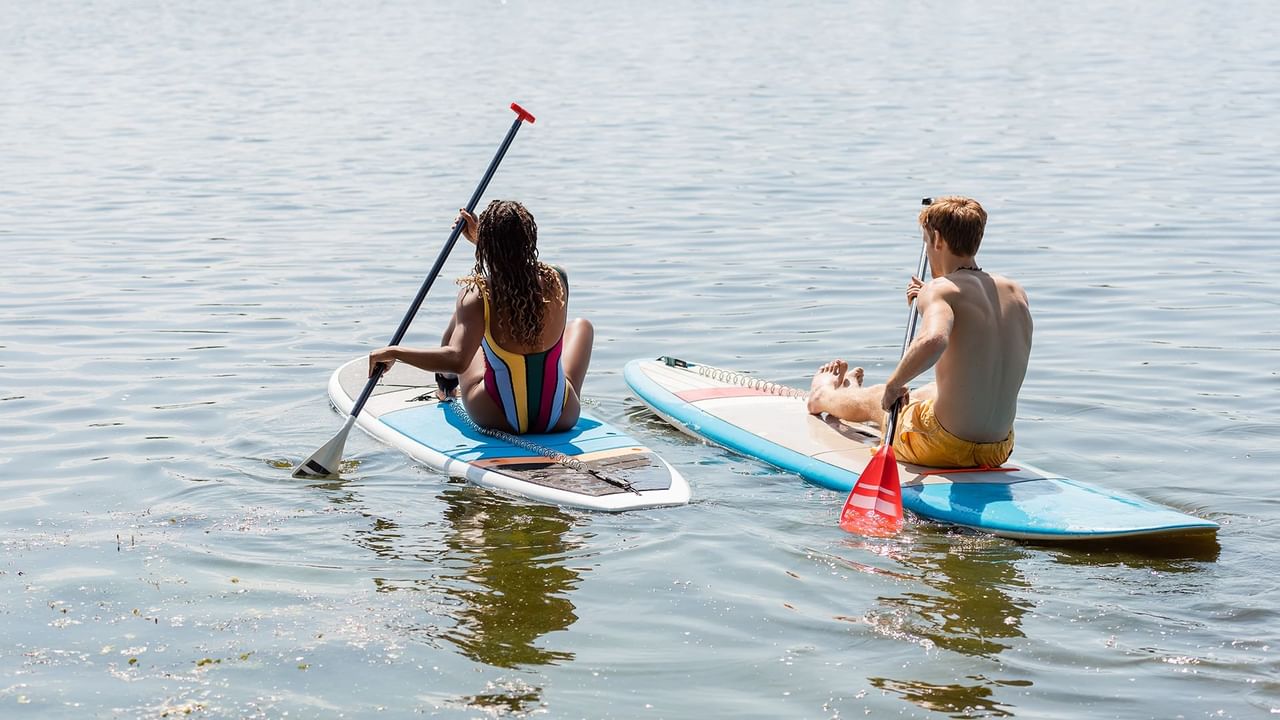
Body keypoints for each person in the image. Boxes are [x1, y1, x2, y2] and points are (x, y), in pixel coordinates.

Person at [806, 196, 1032, 468]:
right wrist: (930, 296)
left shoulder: (940, 291)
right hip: (998, 448)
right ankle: (850, 392)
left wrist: (893, 386)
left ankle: (824, 396)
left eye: (926, 242)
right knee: (931, 390)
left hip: (943, 446)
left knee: (881, 397)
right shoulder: (1014, 290)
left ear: (937, 239)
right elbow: (977, 336)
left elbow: (934, 340)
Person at [368, 200, 594, 434]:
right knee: (581, 326)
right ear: (531, 239)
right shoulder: (557, 278)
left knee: (465, 323)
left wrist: (394, 352)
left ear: (488, 245)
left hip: (497, 416)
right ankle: (562, 396)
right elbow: (518, 273)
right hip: (561, 417)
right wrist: (484, 242)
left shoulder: (477, 293)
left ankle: (445, 385)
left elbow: (457, 360)